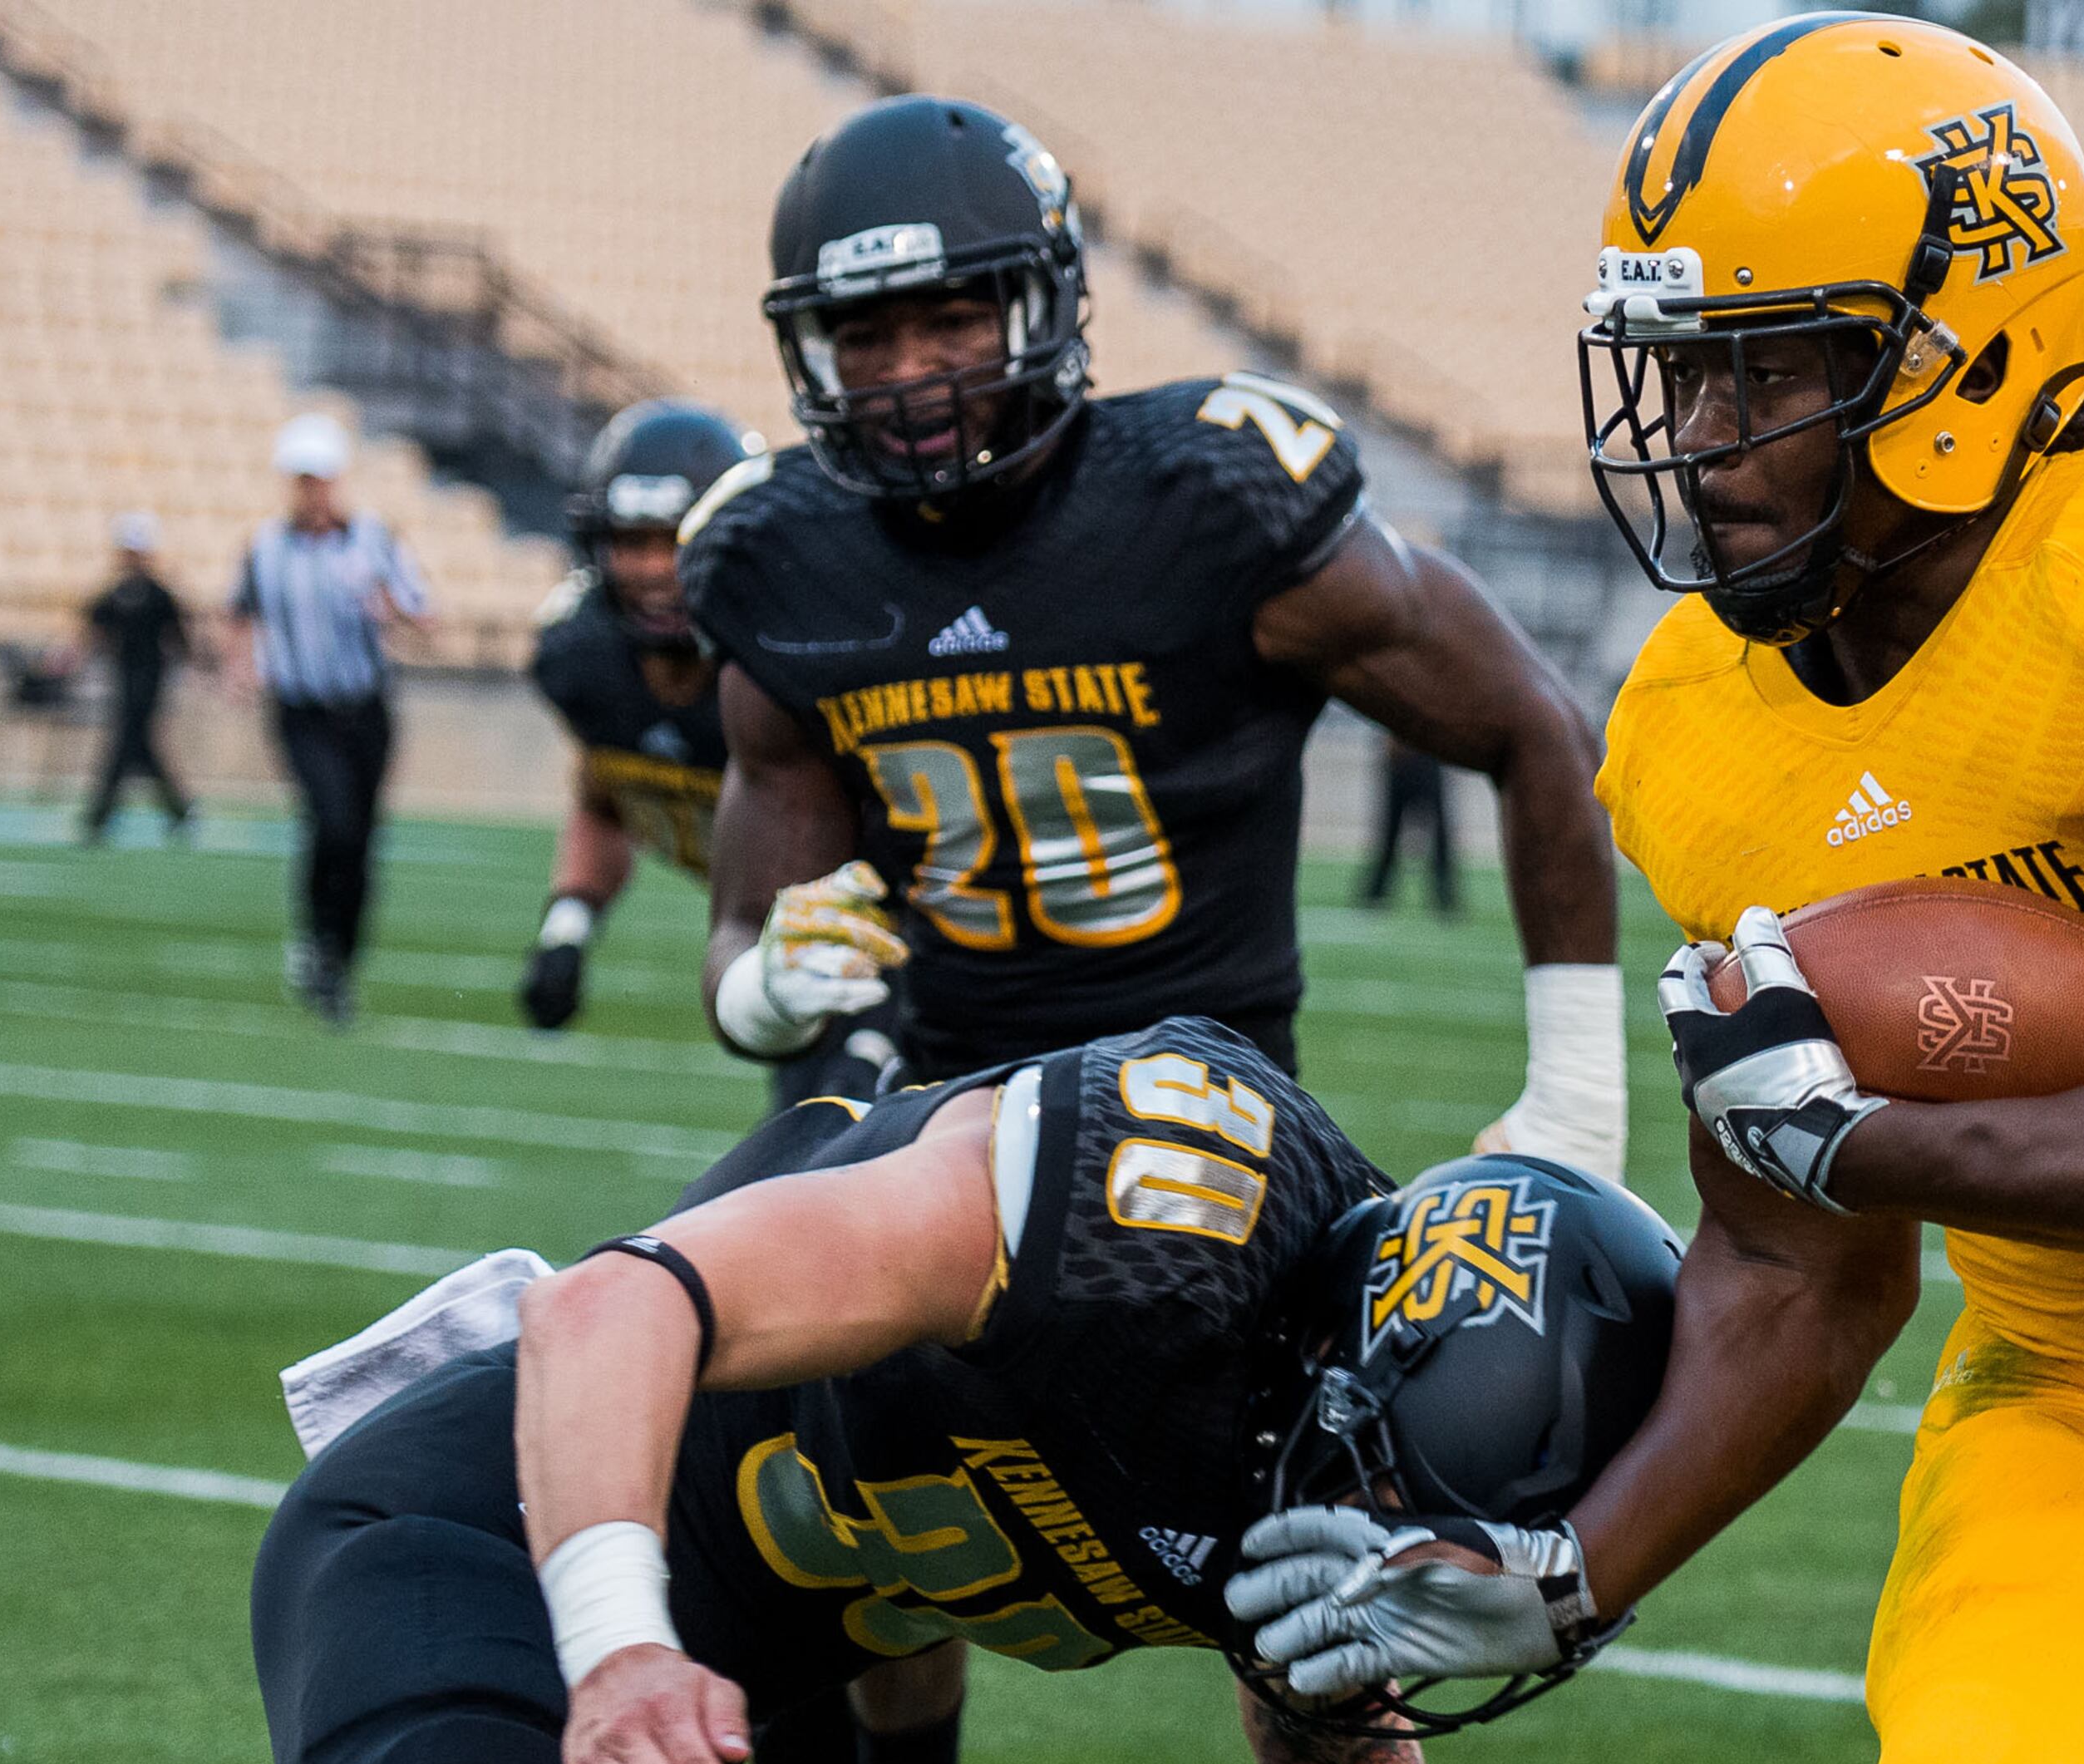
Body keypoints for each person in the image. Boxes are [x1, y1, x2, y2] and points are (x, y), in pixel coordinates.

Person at [1235, 19, 2084, 1764]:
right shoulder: (1700, 731)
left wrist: (1876, 1147)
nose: (1699, 444)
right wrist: (1570, 1573)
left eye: (1763, 374)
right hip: (2082, 1415)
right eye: (1677, 376)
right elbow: (1795, 1256)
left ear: (1961, 357)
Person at [249, 1015, 1679, 1764]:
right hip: (489, 1548)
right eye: (1395, 1502)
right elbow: (607, 1306)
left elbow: (1317, 1721)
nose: (1394, 1559)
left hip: (731, 1683)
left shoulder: (1331, 1463)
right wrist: (623, 1650)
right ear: (1342, 1364)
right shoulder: (1150, 1229)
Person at [684, 96, 1625, 1182]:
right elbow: (742, 930)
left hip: (1206, 1120)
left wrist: (1579, 1104)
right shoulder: (785, 558)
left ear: (1041, 306)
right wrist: (764, 994)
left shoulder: (1206, 499)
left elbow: (1537, 726)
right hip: (944, 1115)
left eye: (952, 321)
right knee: (665, 1266)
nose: (909, 374)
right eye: (864, 337)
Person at [520, 399, 897, 1106]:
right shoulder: (583, 661)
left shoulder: (790, 660)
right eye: (632, 542)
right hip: (788, 944)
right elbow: (605, 795)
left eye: (677, 541)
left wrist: (881, 1029)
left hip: (898, 938)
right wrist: (567, 929)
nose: (655, 569)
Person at [224, 412, 431, 1026]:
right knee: (332, 822)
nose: (311, 491)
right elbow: (240, 612)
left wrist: (388, 608)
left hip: (364, 709)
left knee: (360, 837)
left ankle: (340, 955)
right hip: (302, 710)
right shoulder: (265, 547)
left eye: (319, 479)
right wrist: (240, 666)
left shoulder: (373, 541)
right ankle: (319, 942)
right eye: (302, 480)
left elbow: (424, 618)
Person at [57, 510, 198, 844]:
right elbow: (93, 630)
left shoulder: (158, 594)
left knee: (126, 743)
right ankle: (179, 811)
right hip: (123, 677)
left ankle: (99, 816)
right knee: (139, 745)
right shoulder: (116, 594)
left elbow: (180, 638)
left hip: (150, 679)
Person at [1360, 739, 1460, 914]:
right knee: (1390, 832)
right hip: (1402, 761)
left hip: (1428, 758)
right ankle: (1377, 892)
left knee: (1439, 834)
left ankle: (1444, 895)